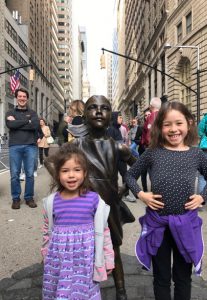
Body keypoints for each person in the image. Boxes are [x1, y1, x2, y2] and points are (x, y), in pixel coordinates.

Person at [125, 101, 207, 300]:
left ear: (189, 124)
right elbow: (130, 176)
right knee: (161, 277)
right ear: (159, 127)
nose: (173, 129)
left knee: (183, 277)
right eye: (167, 124)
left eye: (179, 123)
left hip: (186, 225)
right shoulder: (152, 153)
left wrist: (202, 197)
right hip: (158, 225)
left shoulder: (196, 154)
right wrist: (142, 195)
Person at [45, 95, 136, 300]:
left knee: (113, 247)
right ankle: (79, 287)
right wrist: (70, 187)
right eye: (92, 108)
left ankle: (120, 290)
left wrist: (126, 188)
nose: (98, 112)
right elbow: (51, 162)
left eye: (104, 108)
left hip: (109, 206)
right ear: (85, 114)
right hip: (83, 207)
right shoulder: (76, 145)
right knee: (82, 248)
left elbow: (138, 166)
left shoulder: (117, 146)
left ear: (110, 115)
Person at [41, 143, 114, 299]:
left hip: (85, 260)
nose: (71, 175)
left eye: (77, 170)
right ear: (58, 174)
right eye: (65, 171)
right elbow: (47, 230)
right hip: (59, 262)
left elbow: (104, 231)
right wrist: (45, 254)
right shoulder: (51, 202)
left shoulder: (94, 200)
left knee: (83, 293)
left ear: (85, 172)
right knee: (60, 292)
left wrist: (107, 259)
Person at [5, 88, 40, 209]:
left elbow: (35, 125)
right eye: (19, 96)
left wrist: (18, 123)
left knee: (29, 174)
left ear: (27, 98)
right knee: (14, 174)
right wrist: (27, 121)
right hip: (15, 146)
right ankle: (16, 199)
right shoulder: (10, 112)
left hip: (30, 146)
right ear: (16, 97)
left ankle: (29, 198)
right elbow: (10, 124)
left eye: (24, 96)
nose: (22, 98)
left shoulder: (33, 113)